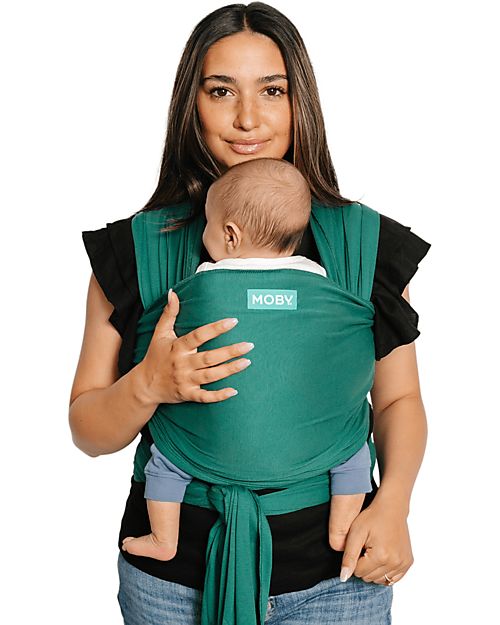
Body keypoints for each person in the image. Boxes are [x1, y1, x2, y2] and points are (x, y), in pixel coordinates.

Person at [70, 3, 431, 624]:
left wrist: (394, 503)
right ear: (191, 105)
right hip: (172, 585)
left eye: (272, 90)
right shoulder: (134, 251)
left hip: (340, 578)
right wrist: (148, 384)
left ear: (300, 102)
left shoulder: (360, 245)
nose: (247, 118)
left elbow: (398, 399)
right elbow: (87, 430)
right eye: (220, 91)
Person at [120, 157, 373, 562]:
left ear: (231, 235)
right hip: (316, 439)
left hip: (205, 441)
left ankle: (163, 539)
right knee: (352, 451)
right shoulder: (323, 280)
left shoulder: (205, 280)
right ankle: (343, 530)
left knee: (166, 461)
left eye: (207, 223)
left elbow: (172, 322)